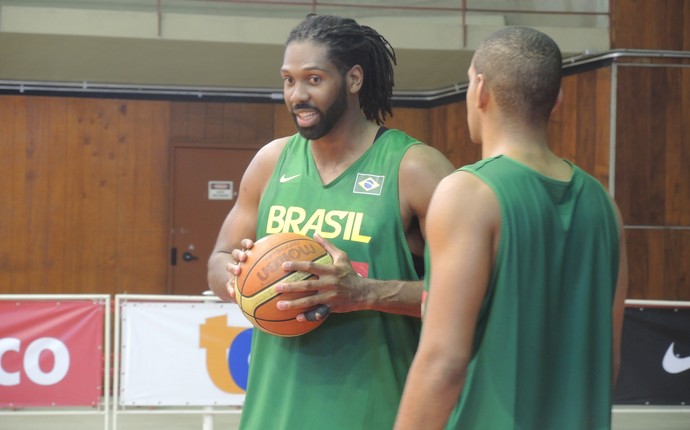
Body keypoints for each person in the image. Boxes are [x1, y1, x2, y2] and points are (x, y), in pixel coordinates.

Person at [207, 14, 455, 430]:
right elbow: (217, 259)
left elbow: (476, 296)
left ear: (353, 79)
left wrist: (366, 292)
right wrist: (240, 277)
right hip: (273, 415)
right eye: (288, 80)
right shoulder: (271, 162)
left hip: (378, 412)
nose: (297, 95)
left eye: (314, 79)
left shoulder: (415, 169)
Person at [394, 26, 629, 430]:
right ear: (557, 101)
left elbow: (442, 363)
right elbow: (609, 358)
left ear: (480, 90)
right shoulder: (605, 206)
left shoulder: (468, 193)